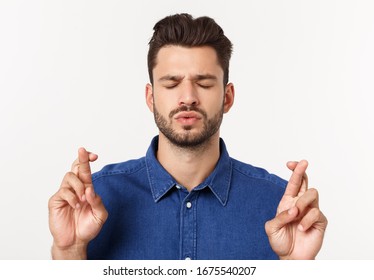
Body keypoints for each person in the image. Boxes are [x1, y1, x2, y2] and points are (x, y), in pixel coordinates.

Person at [48, 13, 327, 260]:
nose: (188, 98)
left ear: (227, 97)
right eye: (171, 83)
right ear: (151, 97)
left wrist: (296, 267)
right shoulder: (96, 199)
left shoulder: (279, 207)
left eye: (204, 83)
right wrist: (70, 251)